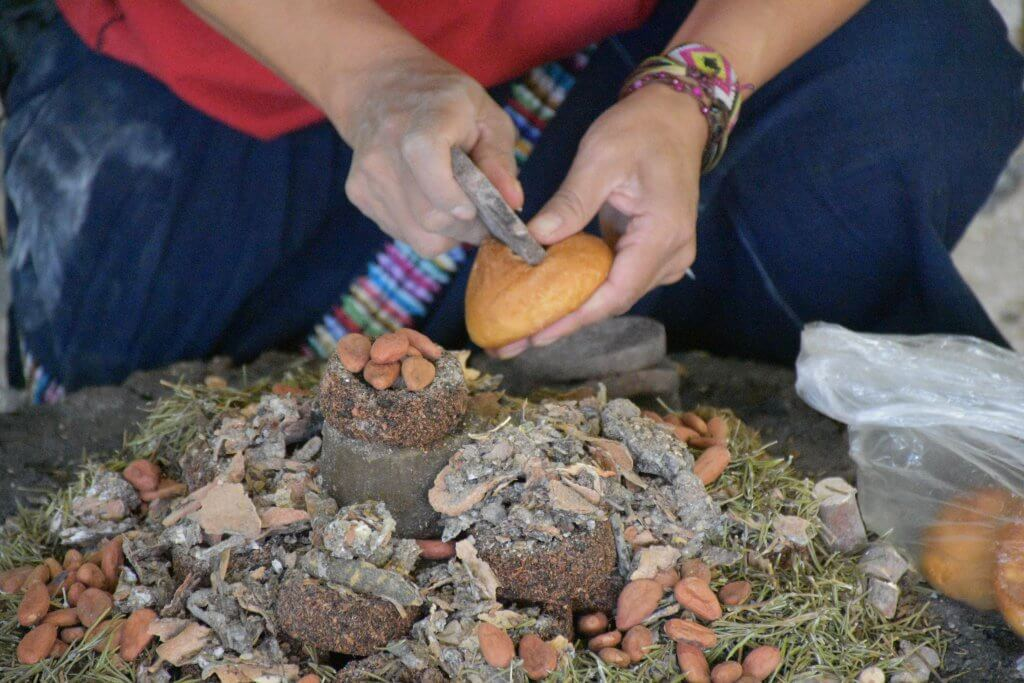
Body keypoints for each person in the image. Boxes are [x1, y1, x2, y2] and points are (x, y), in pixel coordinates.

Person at [3, 0, 1022, 401]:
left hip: (623, 27)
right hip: (260, 55)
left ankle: (691, 365)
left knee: (918, 64)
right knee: (126, 360)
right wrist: (369, 80)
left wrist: (693, 89)